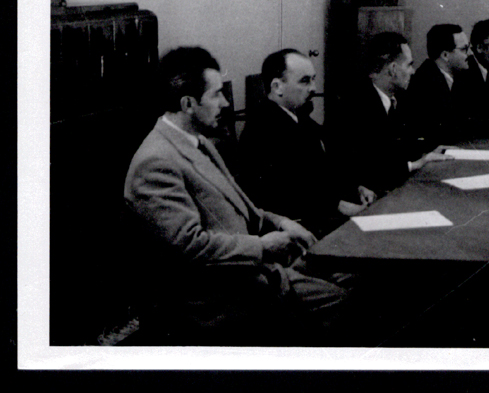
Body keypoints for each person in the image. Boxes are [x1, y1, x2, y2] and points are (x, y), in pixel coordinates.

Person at [122, 46, 357, 345]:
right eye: (217, 94)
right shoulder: (155, 163)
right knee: (345, 302)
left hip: (248, 271)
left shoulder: (198, 142)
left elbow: (242, 208)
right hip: (217, 297)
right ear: (188, 103)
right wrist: (262, 245)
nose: (225, 102)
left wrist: (282, 223)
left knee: (355, 277)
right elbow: (191, 247)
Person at [235, 48, 375, 237]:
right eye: (305, 81)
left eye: (313, 79)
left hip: (322, 219)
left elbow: (328, 166)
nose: (313, 88)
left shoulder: (299, 118)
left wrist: (355, 188)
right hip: (298, 231)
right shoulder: (262, 129)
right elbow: (287, 193)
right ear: (277, 87)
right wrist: (338, 205)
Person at [341, 32, 452, 194]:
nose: (413, 71)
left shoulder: (398, 98)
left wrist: (427, 152)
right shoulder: (357, 105)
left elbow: (401, 144)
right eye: (409, 65)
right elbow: (369, 168)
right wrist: (415, 164)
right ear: (393, 69)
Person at [405, 24, 489, 144]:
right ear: (445, 55)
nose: (469, 54)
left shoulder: (452, 77)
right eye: (464, 49)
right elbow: (449, 126)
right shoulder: (426, 80)